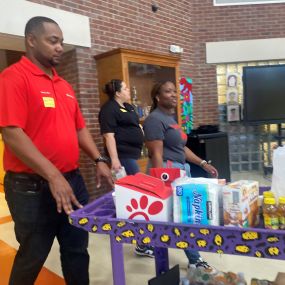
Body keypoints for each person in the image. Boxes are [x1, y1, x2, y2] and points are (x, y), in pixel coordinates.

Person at [0, 16, 113, 285]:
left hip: (71, 180)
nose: (60, 46)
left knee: (76, 249)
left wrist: (98, 158)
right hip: (31, 189)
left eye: (61, 41)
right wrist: (53, 176)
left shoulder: (64, 86)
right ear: (31, 40)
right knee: (33, 255)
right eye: (53, 41)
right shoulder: (13, 78)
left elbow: (79, 129)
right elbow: (12, 133)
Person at [143, 80, 218, 270]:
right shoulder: (154, 119)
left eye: (175, 91)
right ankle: (195, 259)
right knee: (183, 216)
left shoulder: (170, 119)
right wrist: (161, 183)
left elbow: (181, 148)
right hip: (167, 172)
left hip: (181, 170)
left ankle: (143, 243)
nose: (174, 94)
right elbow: (156, 154)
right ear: (158, 97)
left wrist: (202, 163)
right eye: (168, 91)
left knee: (174, 215)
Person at [98, 79, 154, 257]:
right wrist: (114, 160)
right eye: (125, 88)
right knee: (137, 196)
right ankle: (140, 242)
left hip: (134, 155)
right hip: (123, 158)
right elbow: (109, 136)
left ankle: (141, 240)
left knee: (135, 196)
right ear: (117, 92)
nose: (129, 90)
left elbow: (136, 126)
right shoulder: (108, 110)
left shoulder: (128, 107)